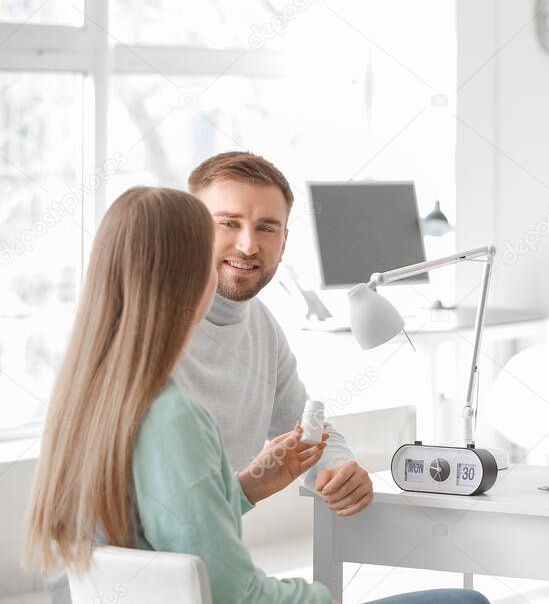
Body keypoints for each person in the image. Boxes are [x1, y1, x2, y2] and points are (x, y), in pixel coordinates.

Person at [23, 187, 488, 604]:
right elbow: (230, 592)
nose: (245, 248)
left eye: (268, 227)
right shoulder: (172, 415)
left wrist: (247, 487)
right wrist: (322, 597)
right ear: (190, 277)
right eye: (219, 237)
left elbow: (162, 539)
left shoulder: (90, 391)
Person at [175, 151, 372, 517]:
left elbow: (308, 431)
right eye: (228, 223)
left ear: (283, 241)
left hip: (208, 555)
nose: (248, 245)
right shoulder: (146, 327)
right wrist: (250, 487)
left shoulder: (263, 327)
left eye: (266, 227)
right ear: (190, 228)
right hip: (126, 564)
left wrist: (338, 470)